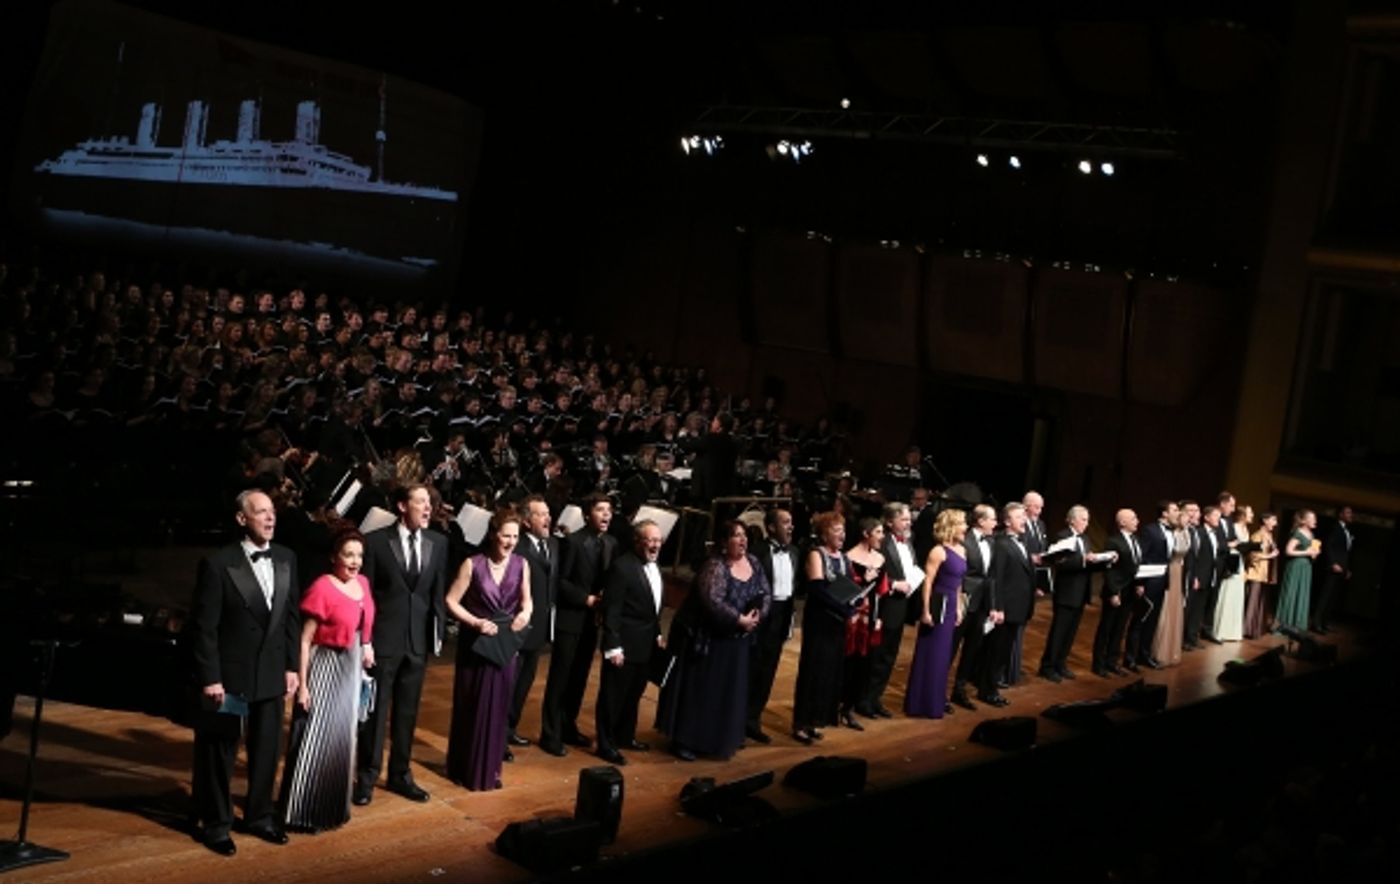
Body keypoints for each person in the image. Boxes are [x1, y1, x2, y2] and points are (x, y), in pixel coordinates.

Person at [189, 490, 301, 856]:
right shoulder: (219, 563)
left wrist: (291, 666)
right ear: (241, 519)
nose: (270, 518)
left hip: (270, 671)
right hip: (231, 676)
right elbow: (204, 628)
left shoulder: (286, 557)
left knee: (266, 749)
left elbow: (290, 620)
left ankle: (259, 816)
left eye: (272, 512)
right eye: (260, 513)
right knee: (220, 751)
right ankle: (217, 823)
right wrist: (210, 677)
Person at [356, 483, 447, 806]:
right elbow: (365, 597)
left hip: (417, 643)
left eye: (430, 503)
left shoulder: (438, 542)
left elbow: (435, 594)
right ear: (401, 506)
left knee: (407, 713)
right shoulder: (377, 542)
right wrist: (364, 640)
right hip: (383, 641)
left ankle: (400, 775)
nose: (427, 508)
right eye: (420, 502)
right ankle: (366, 777)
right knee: (376, 714)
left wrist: (436, 637)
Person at [280, 530, 375, 832]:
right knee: (313, 740)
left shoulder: (363, 583)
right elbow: (304, 641)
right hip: (324, 668)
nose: (355, 561)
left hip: (349, 669)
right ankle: (302, 812)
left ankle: (332, 807)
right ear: (334, 557)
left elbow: (364, 622)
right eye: (348, 554)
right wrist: (303, 686)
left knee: (341, 742)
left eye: (359, 555)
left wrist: (367, 646)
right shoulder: (322, 587)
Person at [657, 520, 769, 760]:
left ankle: (722, 737)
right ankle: (688, 740)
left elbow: (765, 592)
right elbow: (712, 601)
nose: (742, 540)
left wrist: (757, 616)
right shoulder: (715, 566)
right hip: (710, 642)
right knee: (704, 691)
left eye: (744, 535)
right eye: (736, 536)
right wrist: (739, 620)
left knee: (729, 692)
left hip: (737, 642)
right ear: (723, 542)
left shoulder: (754, 563)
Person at [444, 509, 532, 791]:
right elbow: (450, 601)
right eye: (506, 535)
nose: (510, 542)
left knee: (498, 709)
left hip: (504, 649)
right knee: (471, 707)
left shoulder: (522, 564)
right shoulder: (472, 564)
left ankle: (490, 771)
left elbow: (527, 602)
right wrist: (475, 622)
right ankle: (463, 768)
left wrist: (524, 616)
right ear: (494, 535)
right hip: (475, 647)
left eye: (515, 536)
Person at [540, 493, 617, 756]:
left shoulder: (611, 543)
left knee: (580, 678)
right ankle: (550, 734)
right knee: (560, 677)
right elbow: (560, 582)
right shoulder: (573, 542)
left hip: (592, 622)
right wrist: (586, 599)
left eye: (609, 510)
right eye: (600, 510)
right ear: (587, 514)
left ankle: (568, 726)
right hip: (571, 619)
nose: (606, 515)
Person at [594, 520, 666, 766]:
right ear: (638, 542)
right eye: (651, 540)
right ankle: (607, 744)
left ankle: (625, 736)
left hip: (645, 644)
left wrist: (657, 633)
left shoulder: (656, 567)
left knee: (634, 694)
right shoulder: (622, 568)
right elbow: (612, 611)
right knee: (612, 697)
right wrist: (613, 646)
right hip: (623, 645)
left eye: (658, 540)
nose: (656, 545)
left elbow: (652, 608)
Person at [791, 511, 849, 745]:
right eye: (836, 530)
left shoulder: (843, 557)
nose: (842, 535)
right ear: (824, 534)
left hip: (837, 622)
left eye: (843, 530)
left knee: (829, 671)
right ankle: (801, 723)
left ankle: (816, 720)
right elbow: (817, 589)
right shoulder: (816, 554)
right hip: (820, 621)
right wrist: (844, 609)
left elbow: (847, 585)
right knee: (813, 670)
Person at [905, 509, 967, 718]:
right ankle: (920, 703)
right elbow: (928, 582)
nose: (965, 528)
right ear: (951, 526)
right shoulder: (938, 551)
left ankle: (936, 701)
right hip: (937, 604)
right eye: (962, 523)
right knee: (930, 653)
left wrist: (959, 607)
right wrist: (925, 610)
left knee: (943, 656)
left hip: (951, 606)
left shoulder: (962, 550)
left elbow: (959, 584)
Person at [508, 496, 559, 751]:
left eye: (548, 513)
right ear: (527, 522)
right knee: (510, 682)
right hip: (519, 626)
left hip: (540, 628)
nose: (548, 518)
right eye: (541, 514)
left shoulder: (553, 545)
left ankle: (511, 728)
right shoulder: (518, 549)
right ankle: (501, 731)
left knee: (525, 681)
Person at [861, 502, 919, 718]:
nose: (908, 522)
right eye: (903, 519)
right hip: (883, 605)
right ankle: (864, 700)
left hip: (900, 606)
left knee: (889, 656)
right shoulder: (882, 542)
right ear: (889, 521)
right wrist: (894, 584)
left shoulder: (909, 541)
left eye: (908, 519)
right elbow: (874, 572)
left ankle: (876, 698)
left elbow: (910, 567)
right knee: (875, 655)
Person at [1039, 505, 1110, 681]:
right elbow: (1061, 564)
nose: (1087, 523)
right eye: (1083, 519)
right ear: (1072, 519)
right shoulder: (1062, 536)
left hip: (1080, 593)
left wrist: (1104, 561)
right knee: (1059, 631)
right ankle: (1048, 666)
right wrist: (1083, 560)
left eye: (1087, 520)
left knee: (1071, 632)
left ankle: (1060, 663)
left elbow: (1087, 564)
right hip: (1066, 592)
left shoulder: (1085, 538)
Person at [747, 507, 798, 744]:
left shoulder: (794, 553)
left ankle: (753, 720)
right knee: (750, 671)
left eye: (791, 522)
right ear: (770, 527)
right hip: (760, 616)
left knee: (768, 672)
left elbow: (792, 593)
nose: (790, 526)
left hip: (781, 616)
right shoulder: (757, 552)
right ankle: (737, 721)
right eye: (785, 522)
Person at [984, 503, 1034, 704]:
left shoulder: (1022, 542)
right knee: (996, 650)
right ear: (1007, 522)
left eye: (1024, 516)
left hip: (1019, 608)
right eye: (1019, 516)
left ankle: (992, 686)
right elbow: (996, 577)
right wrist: (998, 607)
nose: (1024, 520)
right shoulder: (1002, 543)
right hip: (1007, 609)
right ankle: (988, 690)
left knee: (1004, 651)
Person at [950, 504, 998, 709]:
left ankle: (959, 691)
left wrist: (993, 605)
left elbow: (992, 577)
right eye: (992, 519)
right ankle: (939, 692)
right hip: (965, 601)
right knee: (951, 648)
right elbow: (960, 574)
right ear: (981, 521)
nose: (996, 523)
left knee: (972, 649)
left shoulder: (992, 542)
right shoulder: (965, 541)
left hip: (983, 604)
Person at [841, 518, 888, 728]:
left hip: (871, 617)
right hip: (852, 618)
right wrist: (861, 581)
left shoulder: (880, 558)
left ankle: (850, 708)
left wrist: (879, 617)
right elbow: (843, 589)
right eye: (878, 532)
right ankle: (837, 705)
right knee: (847, 662)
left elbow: (881, 591)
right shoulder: (849, 557)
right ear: (866, 534)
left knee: (864, 663)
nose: (882, 537)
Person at [1093, 509, 1141, 678]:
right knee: (1106, 628)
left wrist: (1139, 584)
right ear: (1122, 522)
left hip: (1129, 592)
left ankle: (1112, 662)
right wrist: (1113, 592)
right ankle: (1099, 665)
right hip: (1116, 591)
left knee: (1120, 629)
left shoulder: (1135, 540)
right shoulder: (1113, 541)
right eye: (1133, 518)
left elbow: (1135, 566)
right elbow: (1110, 570)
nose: (1137, 521)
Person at [1150, 507, 1191, 667]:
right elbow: (1172, 551)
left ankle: (1171, 649)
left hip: (1178, 572)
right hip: (1170, 569)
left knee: (1175, 609)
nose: (1188, 520)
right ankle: (1159, 649)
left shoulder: (1185, 532)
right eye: (1185, 517)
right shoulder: (1172, 533)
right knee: (1165, 608)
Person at [1275, 509, 1320, 632]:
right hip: (1295, 566)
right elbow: (1288, 551)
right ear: (1304, 520)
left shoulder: (1311, 535)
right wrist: (1306, 552)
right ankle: (1283, 625)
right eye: (1312, 518)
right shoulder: (1298, 533)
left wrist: (1314, 554)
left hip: (1306, 567)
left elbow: (1310, 552)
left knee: (1302, 593)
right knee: (1291, 592)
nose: (1315, 521)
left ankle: (1297, 625)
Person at [1212, 504, 1252, 641]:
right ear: (1243, 515)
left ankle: (1233, 631)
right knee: (1228, 592)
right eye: (1250, 512)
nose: (1252, 515)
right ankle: (1221, 629)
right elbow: (1232, 545)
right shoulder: (1234, 526)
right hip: (1232, 559)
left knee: (1237, 594)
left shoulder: (1245, 528)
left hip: (1239, 561)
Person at [1312, 506, 1354, 634]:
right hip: (1333, 568)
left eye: (1351, 513)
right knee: (1325, 596)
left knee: (1333, 598)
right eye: (1348, 513)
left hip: (1342, 569)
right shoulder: (1335, 528)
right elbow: (1329, 546)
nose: (1351, 515)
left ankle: (1325, 622)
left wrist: (1346, 569)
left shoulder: (1347, 531)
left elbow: (1345, 552)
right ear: (1340, 515)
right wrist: (1332, 563)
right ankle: (1316, 623)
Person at [1243, 512, 1280, 639]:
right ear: (1265, 521)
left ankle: (1257, 628)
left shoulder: (1269, 536)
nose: (1276, 523)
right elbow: (1252, 555)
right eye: (1273, 520)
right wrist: (1270, 555)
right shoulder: (1257, 535)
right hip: (1256, 573)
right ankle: (1248, 629)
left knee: (1261, 602)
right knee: (1253, 602)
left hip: (1265, 574)